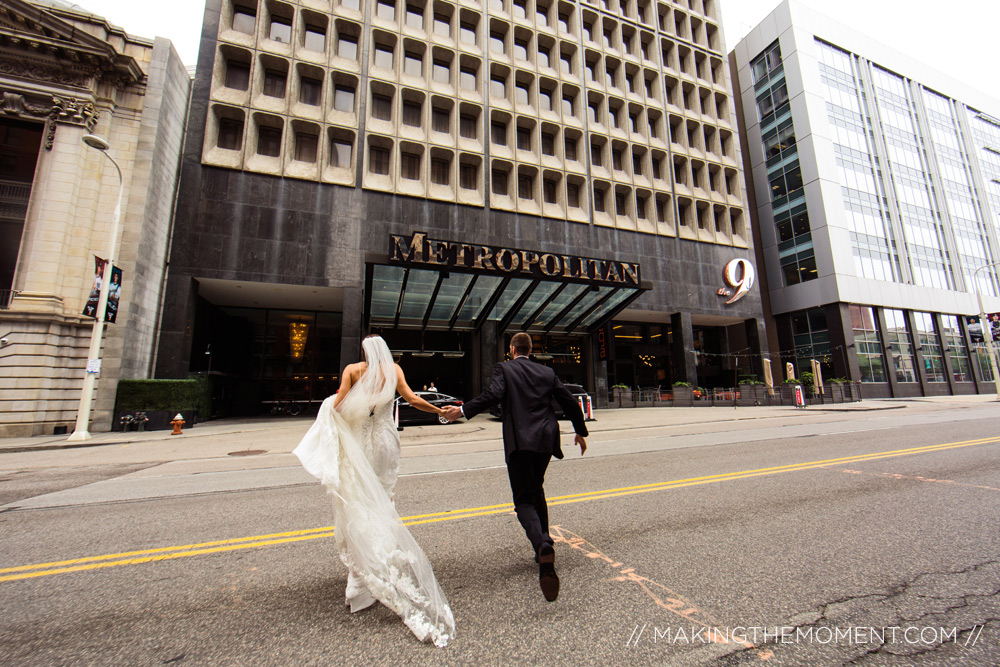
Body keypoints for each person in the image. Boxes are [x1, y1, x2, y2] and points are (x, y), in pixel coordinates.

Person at [293, 335, 455, 647]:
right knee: (385, 500)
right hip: (386, 441)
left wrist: (331, 404)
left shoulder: (353, 371)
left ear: (364, 352)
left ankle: (361, 581)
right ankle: (384, 557)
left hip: (363, 443)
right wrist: (438, 411)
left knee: (360, 502)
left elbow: (339, 407)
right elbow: (411, 399)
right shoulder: (394, 371)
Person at [443, 332, 587, 602]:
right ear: (530, 350)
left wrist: (462, 411)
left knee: (523, 499)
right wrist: (580, 432)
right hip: (545, 440)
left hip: (520, 442)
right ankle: (541, 546)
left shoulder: (504, 369)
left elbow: (494, 394)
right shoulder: (547, 372)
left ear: (511, 349)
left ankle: (543, 544)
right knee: (537, 490)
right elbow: (568, 400)